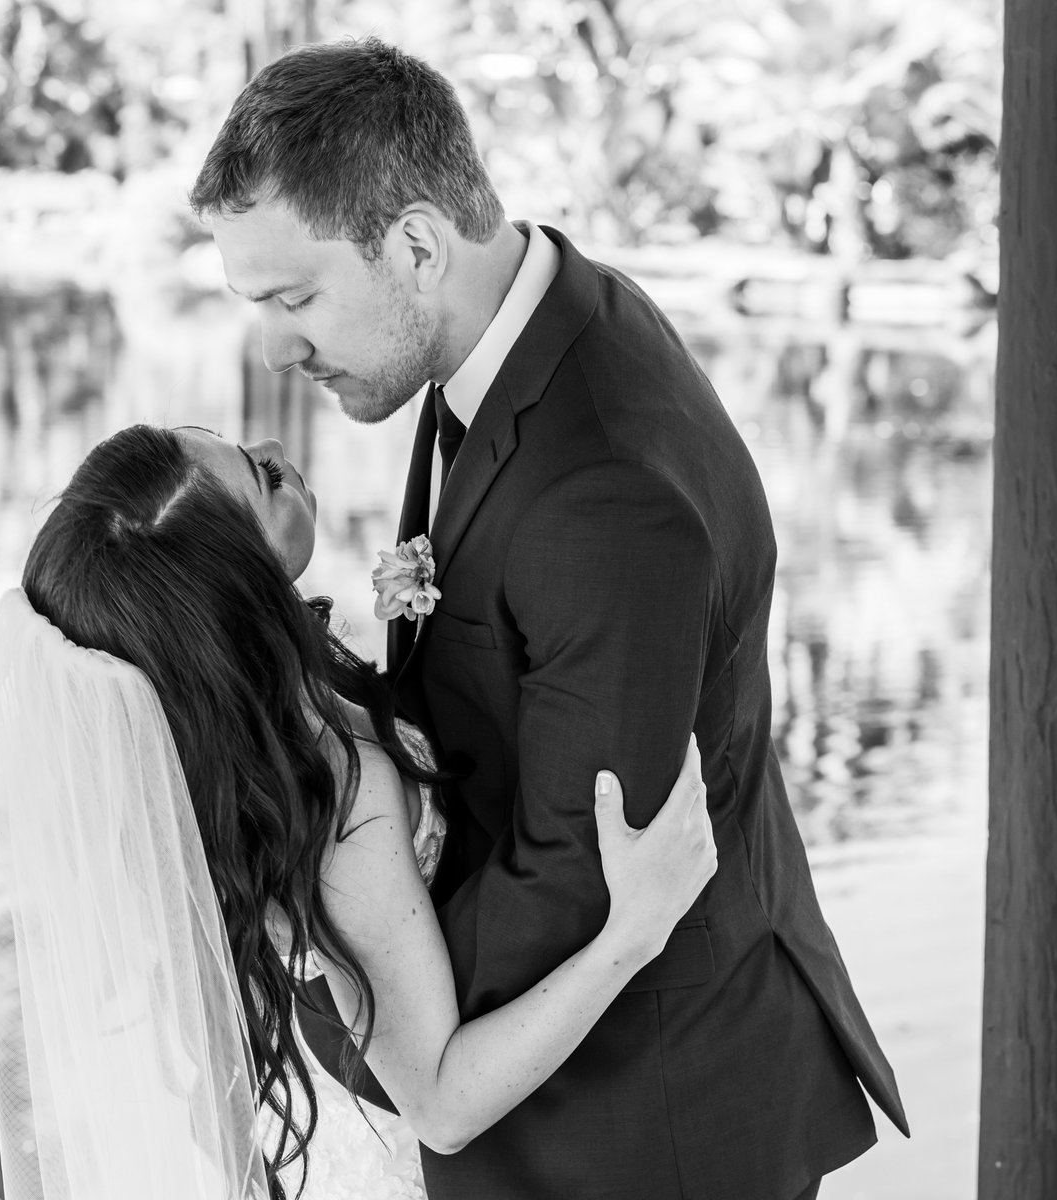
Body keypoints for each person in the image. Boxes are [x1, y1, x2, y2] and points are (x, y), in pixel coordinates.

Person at [190, 37, 909, 1200]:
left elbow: (579, 871)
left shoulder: (602, 485)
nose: (275, 350)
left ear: (417, 246)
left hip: (641, 1125)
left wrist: (351, 988)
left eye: (294, 298)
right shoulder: (529, 324)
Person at [0, 422, 717, 1200]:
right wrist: (636, 930)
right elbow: (441, 1105)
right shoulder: (334, 793)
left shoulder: (239, 728)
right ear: (236, 583)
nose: (274, 447)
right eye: (261, 477)